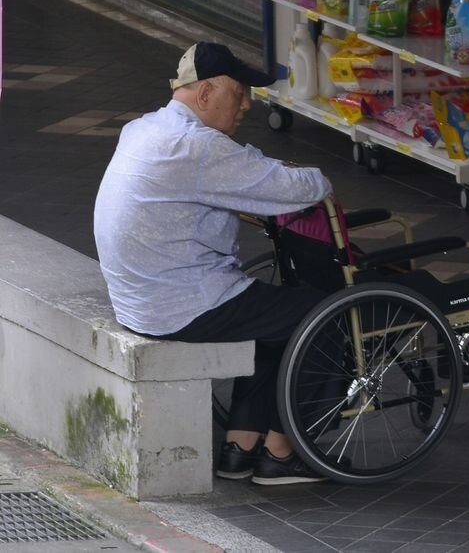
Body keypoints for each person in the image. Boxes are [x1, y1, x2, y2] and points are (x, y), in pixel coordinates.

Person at [94, 42, 333, 486]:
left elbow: (236, 174)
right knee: (324, 314)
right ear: (205, 94)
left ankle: (240, 447)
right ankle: (282, 452)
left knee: (271, 315)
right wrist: (299, 172)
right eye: (239, 93)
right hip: (181, 305)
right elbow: (306, 187)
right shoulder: (197, 147)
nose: (246, 105)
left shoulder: (142, 129)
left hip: (141, 301)